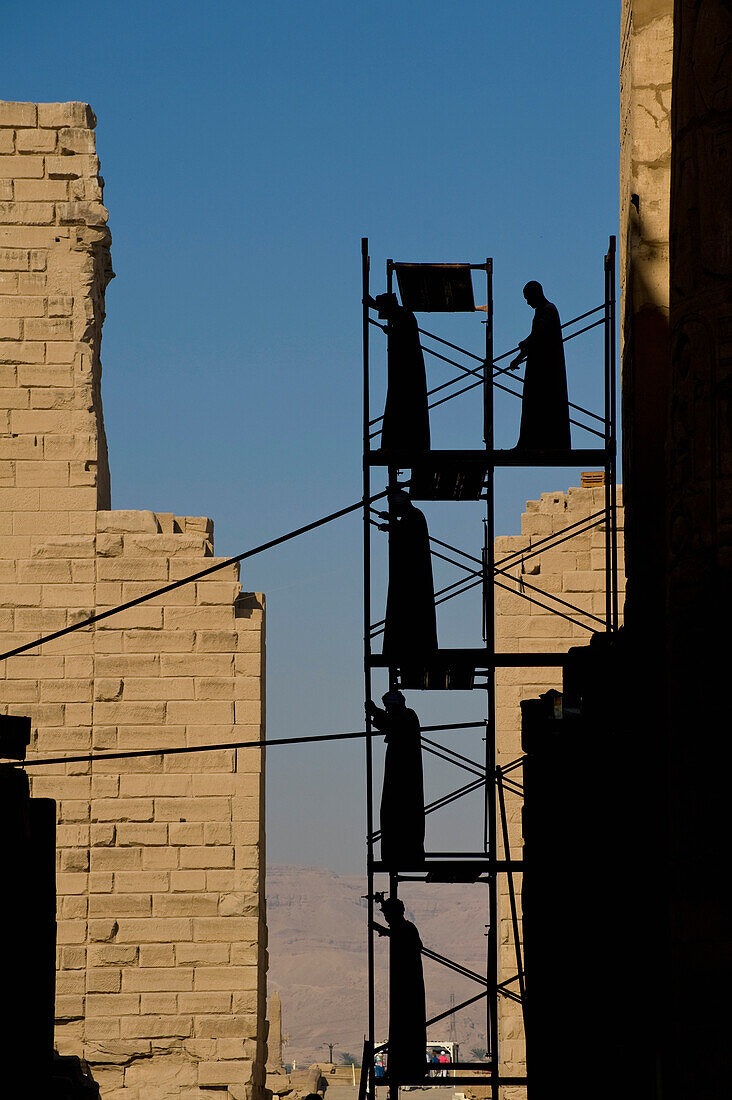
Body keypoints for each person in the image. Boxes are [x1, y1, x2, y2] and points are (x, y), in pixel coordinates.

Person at [509, 281, 571, 451]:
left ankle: (535, 444)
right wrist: (522, 351)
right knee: (535, 406)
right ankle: (530, 443)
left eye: (528, 298)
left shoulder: (548, 310)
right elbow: (535, 337)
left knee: (538, 406)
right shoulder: (544, 311)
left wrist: (520, 353)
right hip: (541, 367)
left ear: (536, 294)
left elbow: (538, 337)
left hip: (544, 371)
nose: (527, 302)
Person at [381, 490, 438, 673]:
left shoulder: (415, 516)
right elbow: (404, 531)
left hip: (413, 577)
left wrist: (391, 525)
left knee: (410, 612)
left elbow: (409, 536)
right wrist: (391, 523)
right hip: (410, 575)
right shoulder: (412, 516)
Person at [366, 691, 425, 868]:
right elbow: (389, 725)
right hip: (398, 771)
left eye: (388, 707)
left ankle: (405, 854)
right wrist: (377, 713)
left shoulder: (408, 715)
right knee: (393, 813)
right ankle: (395, 852)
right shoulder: (403, 717)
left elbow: (392, 724)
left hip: (404, 775)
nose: (387, 710)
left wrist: (376, 712)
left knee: (402, 812)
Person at [371, 292, 430, 456]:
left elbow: (402, 334)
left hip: (406, 371)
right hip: (407, 369)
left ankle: (395, 444)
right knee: (401, 407)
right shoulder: (403, 315)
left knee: (398, 407)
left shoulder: (402, 315)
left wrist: (392, 332)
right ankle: (400, 444)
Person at [376, 897, 427, 1087]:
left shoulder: (407, 928)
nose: (387, 918)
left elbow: (411, 944)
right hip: (404, 983)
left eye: (388, 914)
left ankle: (409, 1068)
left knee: (408, 1023)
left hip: (409, 984)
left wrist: (389, 932)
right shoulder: (404, 928)